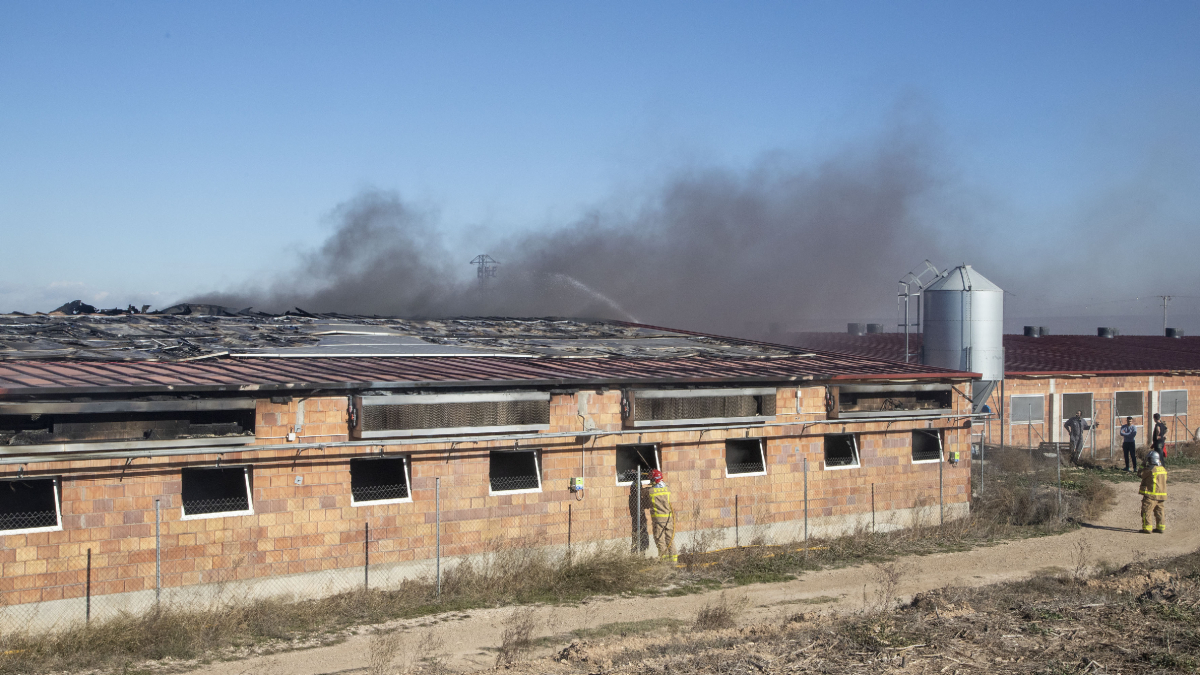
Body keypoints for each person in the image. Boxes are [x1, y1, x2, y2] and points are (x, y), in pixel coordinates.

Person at [646, 469, 677, 562]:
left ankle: (664, 560)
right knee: (669, 539)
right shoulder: (668, 489)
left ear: (654, 480)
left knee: (660, 540)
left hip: (658, 519)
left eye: (651, 479)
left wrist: (637, 485)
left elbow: (643, 493)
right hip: (669, 519)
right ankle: (674, 560)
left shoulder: (651, 491)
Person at [1138, 451, 1167, 533]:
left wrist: (1142, 464)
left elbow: (1140, 474)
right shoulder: (1163, 469)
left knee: (1146, 511)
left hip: (1151, 496)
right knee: (1159, 512)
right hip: (1161, 495)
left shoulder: (1150, 470)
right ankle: (1160, 528)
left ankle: (1147, 528)